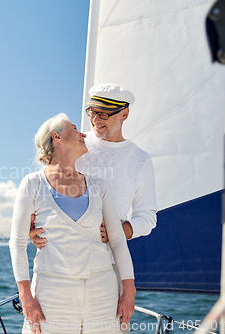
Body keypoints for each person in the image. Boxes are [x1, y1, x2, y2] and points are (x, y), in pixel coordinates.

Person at [29, 83, 157, 333]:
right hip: (57, 274)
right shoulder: (77, 145)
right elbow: (41, 194)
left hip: (107, 273)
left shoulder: (140, 160)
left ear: (125, 114)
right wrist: (29, 229)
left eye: (104, 114)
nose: (95, 121)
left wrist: (121, 230)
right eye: (91, 112)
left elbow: (148, 216)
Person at [10, 113, 136, 334]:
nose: (83, 134)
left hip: (102, 293)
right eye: (75, 129)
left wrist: (129, 291)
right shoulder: (32, 184)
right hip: (52, 293)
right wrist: (26, 297)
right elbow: (17, 243)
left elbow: (117, 241)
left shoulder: (98, 185)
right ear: (56, 137)